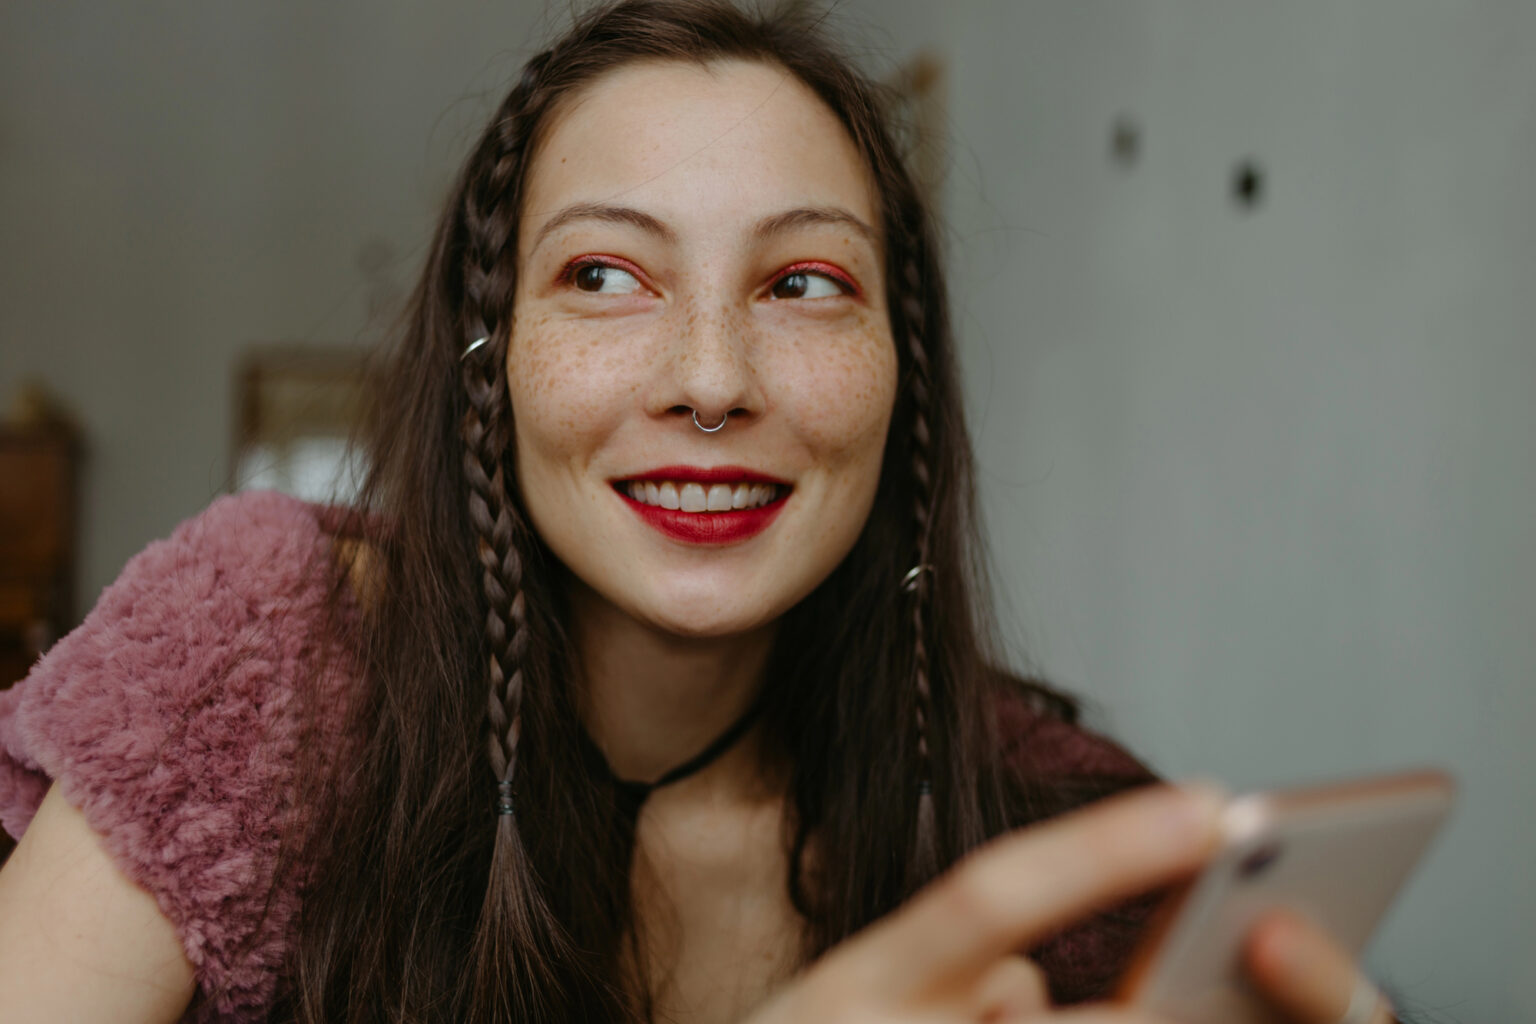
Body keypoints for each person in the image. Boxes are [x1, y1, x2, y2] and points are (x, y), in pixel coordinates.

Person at [0, 2, 1397, 1022]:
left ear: (902, 383)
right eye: (606, 275)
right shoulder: (261, 657)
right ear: (488, 360)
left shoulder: (1028, 813)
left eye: (803, 285)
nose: (714, 381)